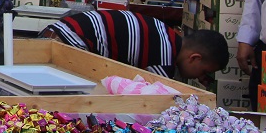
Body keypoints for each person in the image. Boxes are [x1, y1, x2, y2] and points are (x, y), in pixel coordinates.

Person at [41, 9, 229, 80]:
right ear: (194, 57)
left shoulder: (166, 34)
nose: (200, 78)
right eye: (203, 72)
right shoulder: (165, 59)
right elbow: (150, 97)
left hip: (59, 32)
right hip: (68, 42)